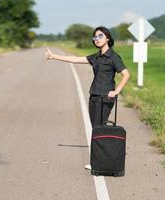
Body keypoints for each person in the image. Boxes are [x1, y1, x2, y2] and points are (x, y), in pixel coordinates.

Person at [45, 26, 130, 169]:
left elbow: (126, 74)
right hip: (94, 96)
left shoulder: (114, 57)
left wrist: (116, 91)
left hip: (106, 98)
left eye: (100, 36)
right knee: (95, 128)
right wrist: (54, 56)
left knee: (99, 128)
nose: (97, 39)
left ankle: (99, 162)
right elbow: (75, 59)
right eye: (95, 37)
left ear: (107, 38)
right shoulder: (96, 57)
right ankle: (99, 160)